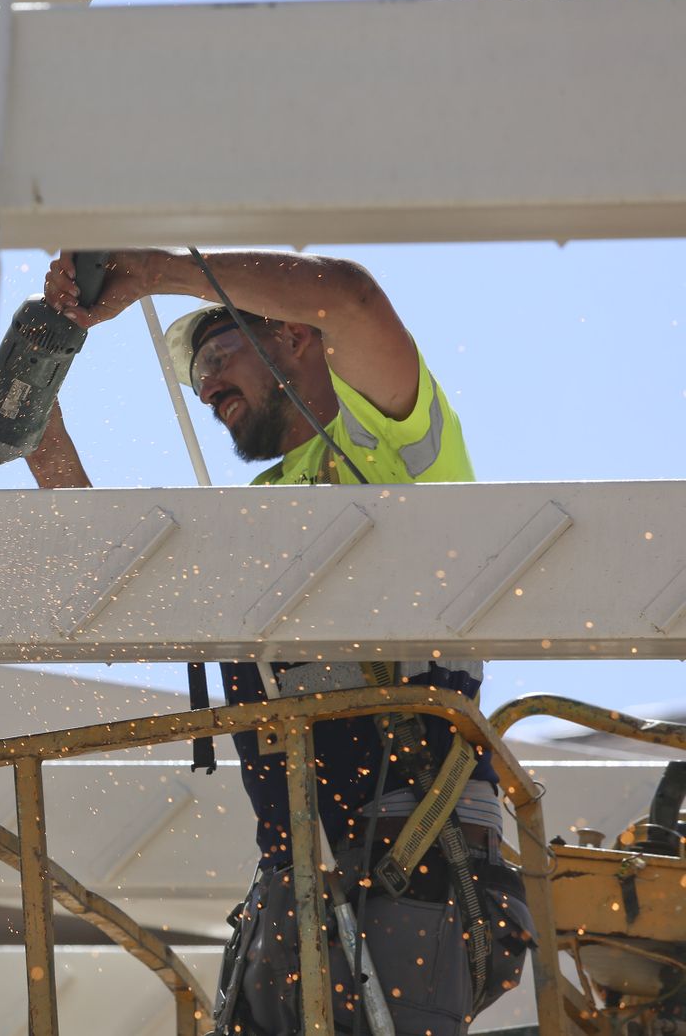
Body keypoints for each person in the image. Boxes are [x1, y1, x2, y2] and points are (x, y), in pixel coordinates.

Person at [31, 248, 534, 1036]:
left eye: (220, 355)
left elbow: (356, 300)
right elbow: (130, 602)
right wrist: (39, 429)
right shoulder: (260, 517)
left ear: (297, 337)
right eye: (198, 381)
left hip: (418, 875)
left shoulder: (395, 445)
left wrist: (154, 272)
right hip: (298, 897)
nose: (206, 388)